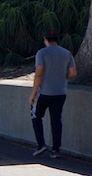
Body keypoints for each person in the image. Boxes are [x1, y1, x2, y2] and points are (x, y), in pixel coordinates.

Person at [29, 30, 77, 158]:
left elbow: (38, 73)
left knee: (36, 116)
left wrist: (33, 94)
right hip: (60, 92)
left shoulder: (42, 53)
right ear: (57, 39)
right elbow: (72, 73)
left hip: (44, 92)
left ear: (45, 39)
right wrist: (63, 77)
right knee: (56, 120)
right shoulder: (66, 53)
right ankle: (56, 150)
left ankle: (41, 144)